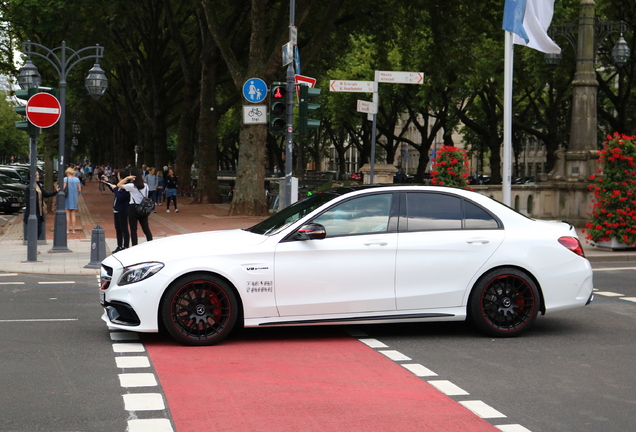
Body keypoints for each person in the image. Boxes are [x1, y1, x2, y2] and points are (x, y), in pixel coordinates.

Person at [118, 167, 153, 246]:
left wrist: (127, 178)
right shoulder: (146, 185)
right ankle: (151, 244)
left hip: (133, 208)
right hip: (143, 208)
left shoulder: (131, 186)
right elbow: (146, 196)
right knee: (146, 228)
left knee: (133, 230)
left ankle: (135, 246)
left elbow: (119, 185)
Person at [102, 169, 130, 253]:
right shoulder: (119, 186)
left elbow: (121, 197)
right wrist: (107, 182)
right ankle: (119, 245)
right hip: (116, 209)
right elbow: (114, 189)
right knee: (118, 228)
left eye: (118, 175)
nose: (117, 177)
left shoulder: (126, 187)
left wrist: (114, 189)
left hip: (123, 209)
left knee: (124, 228)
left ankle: (125, 246)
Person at [24, 171, 59, 239]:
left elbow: (45, 194)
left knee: (39, 230)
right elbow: (28, 201)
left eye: (38, 175)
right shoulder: (29, 188)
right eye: (36, 175)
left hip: (39, 212)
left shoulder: (38, 185)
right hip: (33, 212)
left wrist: (56, 192)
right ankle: (32, 247)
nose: (38, 176)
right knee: (34, 231)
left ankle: (34, 246)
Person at [63, 167, 82, 234]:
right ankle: (73, 230)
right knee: (73, 214)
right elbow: (79, 190)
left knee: (67, 214)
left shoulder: (65, 179)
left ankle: (67, 230)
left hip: (67, 197)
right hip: (74, 197)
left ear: (68, 173)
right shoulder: (77, 179)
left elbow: (63, 188)